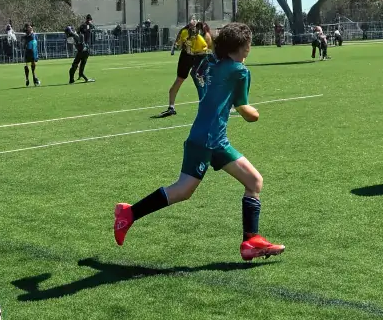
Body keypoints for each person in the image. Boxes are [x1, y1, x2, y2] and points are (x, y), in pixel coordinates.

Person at [115, 22, 285, 262]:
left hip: (212, 138)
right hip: (209, 140)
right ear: (242, 48)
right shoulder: (240, 71)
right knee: (183, 190)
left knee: (254, 181)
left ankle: (251, 241)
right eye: (249, 43)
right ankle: (129, 213)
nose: (250, 46)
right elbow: (245, 109)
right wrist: (256, 114)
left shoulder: (213, 64)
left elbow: (204, 74)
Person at [159, 18, 209, 117]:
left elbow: (205, 50)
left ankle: (207, 104)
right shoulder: (185, 33)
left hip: (197, 57)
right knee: (180, 80)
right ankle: (171, 107)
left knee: (202, 79)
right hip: (187, 57)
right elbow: (179, 44)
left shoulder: (200, 37)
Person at [69, 14, 94, 83]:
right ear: (90, 20)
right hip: (85, 47)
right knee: (82, 61)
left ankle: (74, 77)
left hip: (81, 47)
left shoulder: (82, 26)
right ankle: (80, 74)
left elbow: (78, 33)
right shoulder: (89, 26)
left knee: (77, 62)